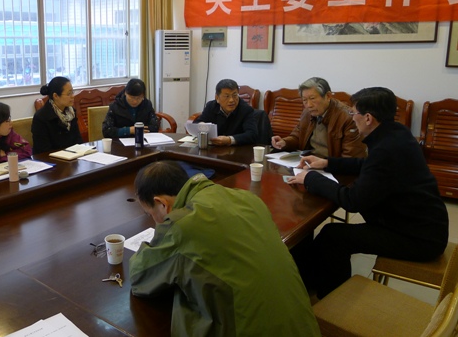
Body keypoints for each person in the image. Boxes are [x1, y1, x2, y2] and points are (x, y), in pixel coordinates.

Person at [288, 87, 449, 299]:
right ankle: (309, 279)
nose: (351, 117)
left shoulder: (385, 149)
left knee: (334, 237)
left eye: (353, 113)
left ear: (368, 118)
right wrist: (327, 163)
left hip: (417, 237)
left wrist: (310, 178)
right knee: (331, 235)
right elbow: (367, 164)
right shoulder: (396, 133)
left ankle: (332, 299)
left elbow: (353, 201)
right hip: (422, 224)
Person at [129, 161, 320, 336]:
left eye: (149, 213)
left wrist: (161, 235)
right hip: (304, 327)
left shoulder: (181, 224)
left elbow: (139, 276)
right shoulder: (247, 198)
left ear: (162, 203)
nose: (153, 219)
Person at [271, 77, 366, 158]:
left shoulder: (348, 118)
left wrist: (325, 164)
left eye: (312, 99)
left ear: (328, 96)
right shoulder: (307, 113)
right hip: (308, 162)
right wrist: (284, 142)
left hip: (333, 168)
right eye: (304, 100)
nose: (309, 105)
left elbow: (351, 158)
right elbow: (298, 136)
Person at [193, 79, 258, 146]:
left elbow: (252, 134)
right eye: (227, 96)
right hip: (214, 148)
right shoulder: (211, 106)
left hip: (237, 149)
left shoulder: (246, 110)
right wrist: (202, 125)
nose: (231, 100)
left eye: (234, 95)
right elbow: (196, 123)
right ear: (217, 98)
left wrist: (229, 140)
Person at [32, 76, 83, 154]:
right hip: (50, 159)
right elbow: (43, 151)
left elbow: (78, 140)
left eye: (72, 92)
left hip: (72, 157)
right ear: (55, 96)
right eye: (69, 94)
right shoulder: (41, 117)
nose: (73, 96)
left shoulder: (71, 112)